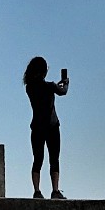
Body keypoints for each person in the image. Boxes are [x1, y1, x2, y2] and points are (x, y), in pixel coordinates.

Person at [22, 55, 69, 199]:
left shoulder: (29, 88)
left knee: (37, 159)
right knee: (54, 159)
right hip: (52, 126)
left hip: (37, 127)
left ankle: (37, 191)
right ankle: (55, 190)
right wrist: (66, 83)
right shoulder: (50, 86)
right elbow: (63, 92)